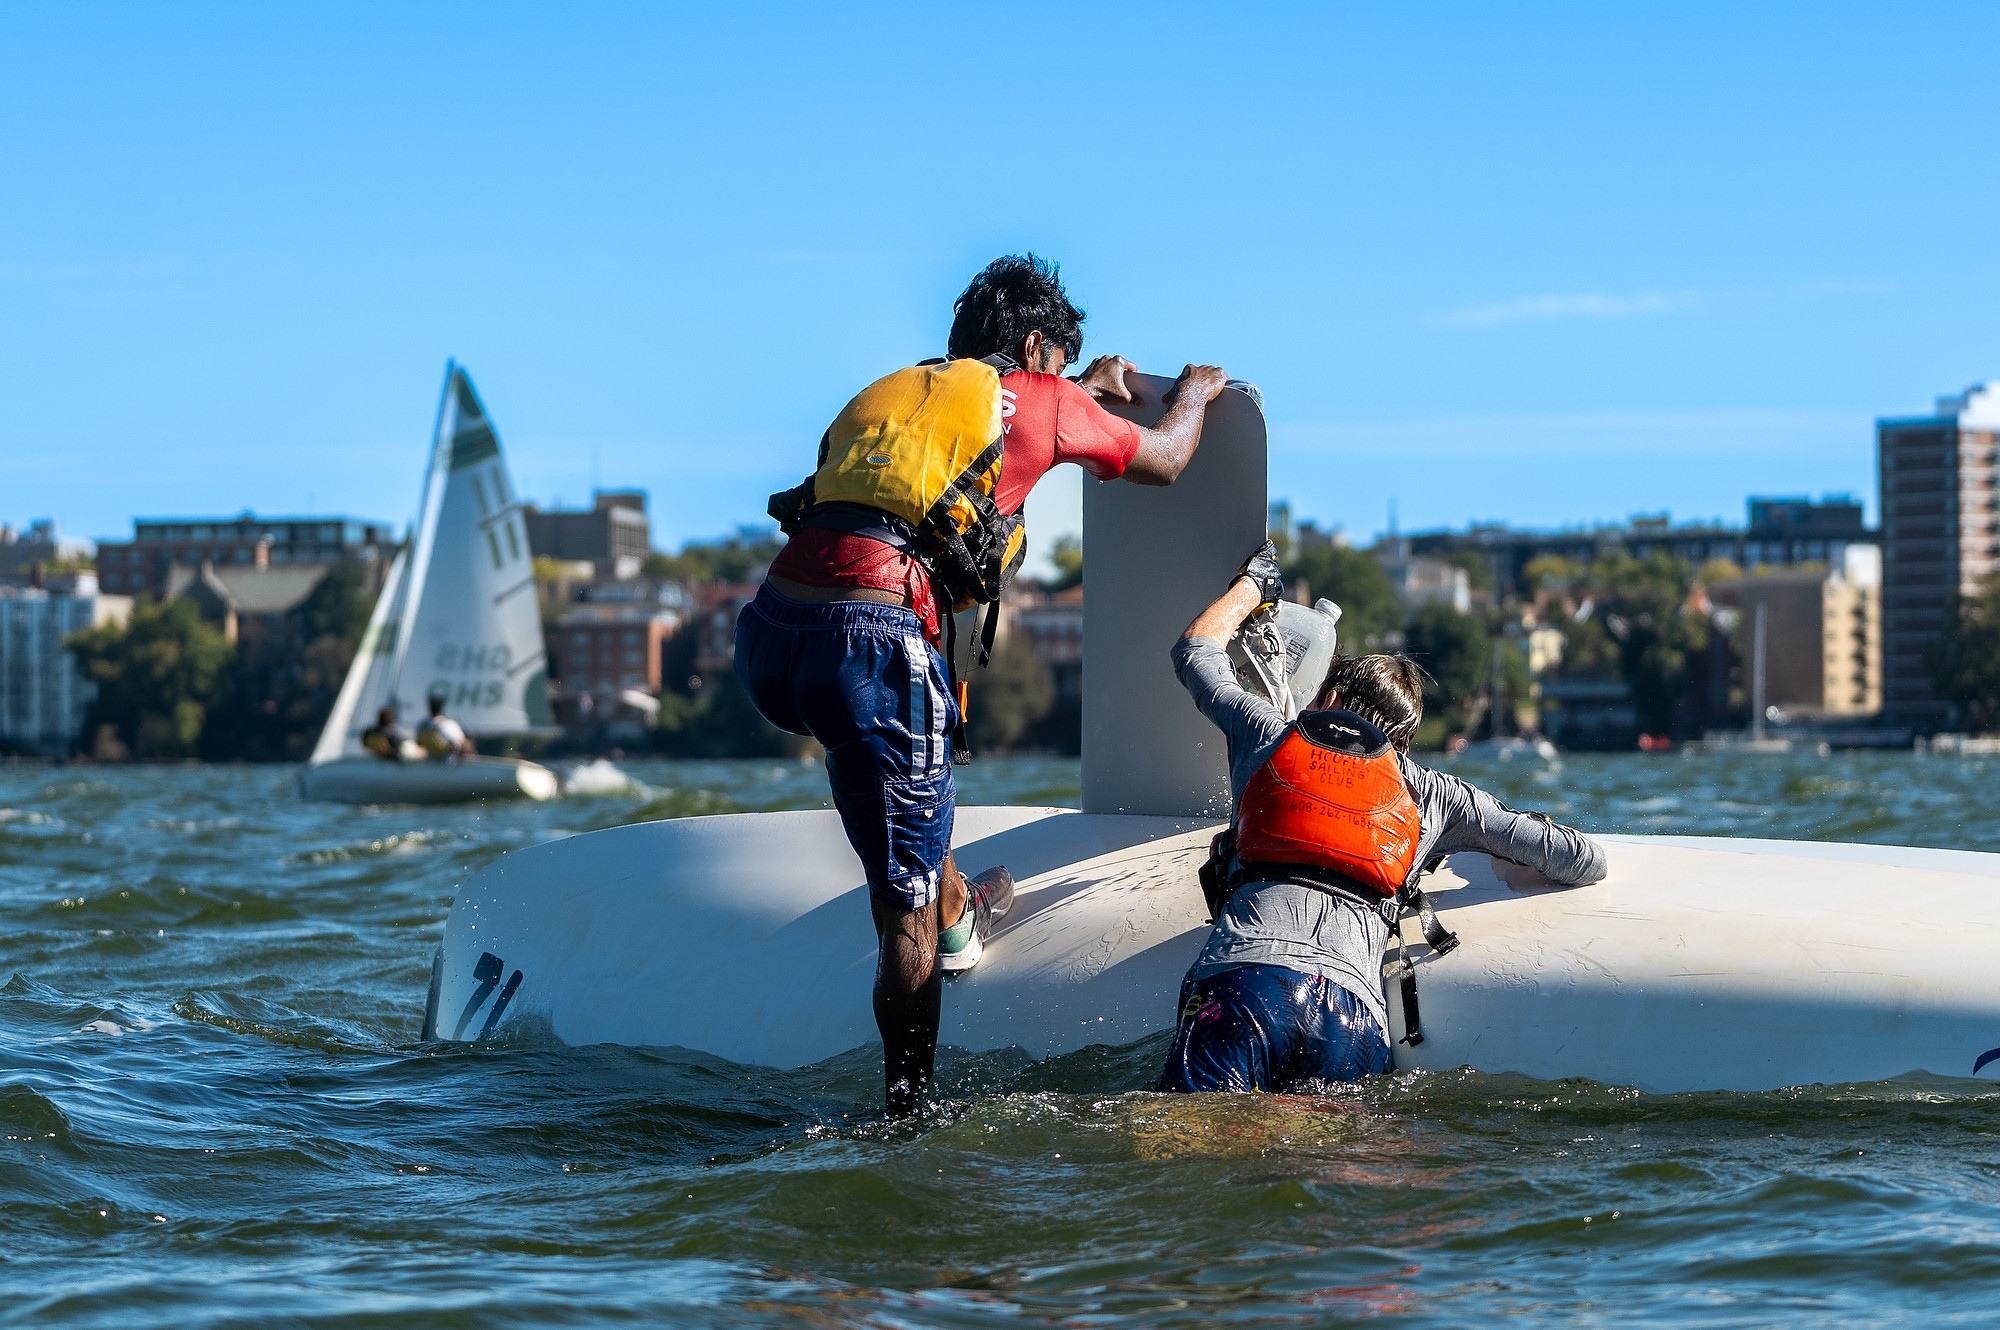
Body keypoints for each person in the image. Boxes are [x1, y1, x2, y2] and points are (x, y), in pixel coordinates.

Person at [737, 253, 1233, 1115]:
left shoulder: (893, 390)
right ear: (1038, 346)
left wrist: (1077, 381)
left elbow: (980, 429)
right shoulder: (1047, 399)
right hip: (873, 642)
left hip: (774, 632)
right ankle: (907, 1116)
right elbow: (1165, 459)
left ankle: (959, 905)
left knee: (895, 796)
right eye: (1058, 362)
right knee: (903, 911)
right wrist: (1192, 392)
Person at [1161, 546, 1608, 1093]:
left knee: (1185, 1145)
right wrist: (1496, 853)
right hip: (1352, 1016)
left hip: (1245, 982)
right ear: (1404, 737)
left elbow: (1195, 652)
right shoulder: (1438, 795)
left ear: (1328, 697)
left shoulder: (1268, 735)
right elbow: (1583, 860)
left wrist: (1255, 584)